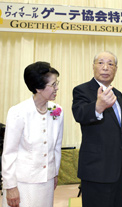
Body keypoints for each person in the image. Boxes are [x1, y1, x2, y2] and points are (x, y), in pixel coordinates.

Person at [72, 51, 122, 207]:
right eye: (101, 63)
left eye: (110, 64)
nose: (105, 67)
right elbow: (80, 114)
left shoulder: (118, 94)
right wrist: (98, 106)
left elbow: (117, 124)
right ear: (93, 67)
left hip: (120, 167)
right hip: (97, 168)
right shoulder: (82, 90)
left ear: (115, 69)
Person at [2, 61, 64, 207]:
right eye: (53, 85)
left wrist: (54, 173)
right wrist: (10, 186)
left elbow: (57, 146)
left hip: (46, 181)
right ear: (38, 88)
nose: (57, 88)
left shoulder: (57, 111)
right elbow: (9, 152)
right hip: (22, 183)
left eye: (57, 83)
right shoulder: (18, 112)